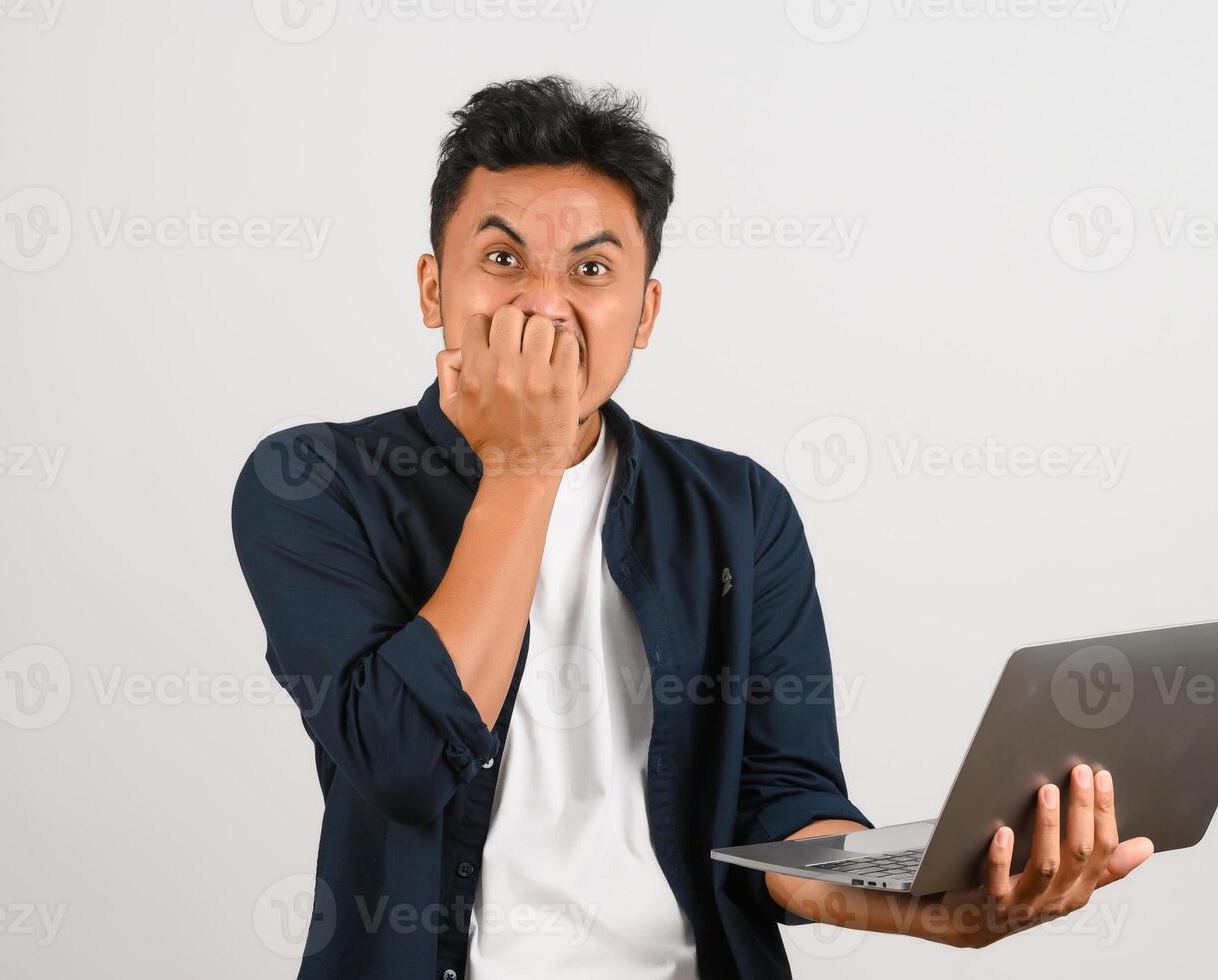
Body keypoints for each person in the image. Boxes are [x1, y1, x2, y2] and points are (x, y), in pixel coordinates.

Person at [231, 75, 1153, 980]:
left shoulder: (740, 510)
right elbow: (400, 763)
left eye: (591, 270)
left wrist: (935, 907)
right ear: (434, 288)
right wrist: (522, 464)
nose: (544, 306)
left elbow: (786, 811)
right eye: (503, 260)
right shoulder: (313, 482)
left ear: (645, 313)